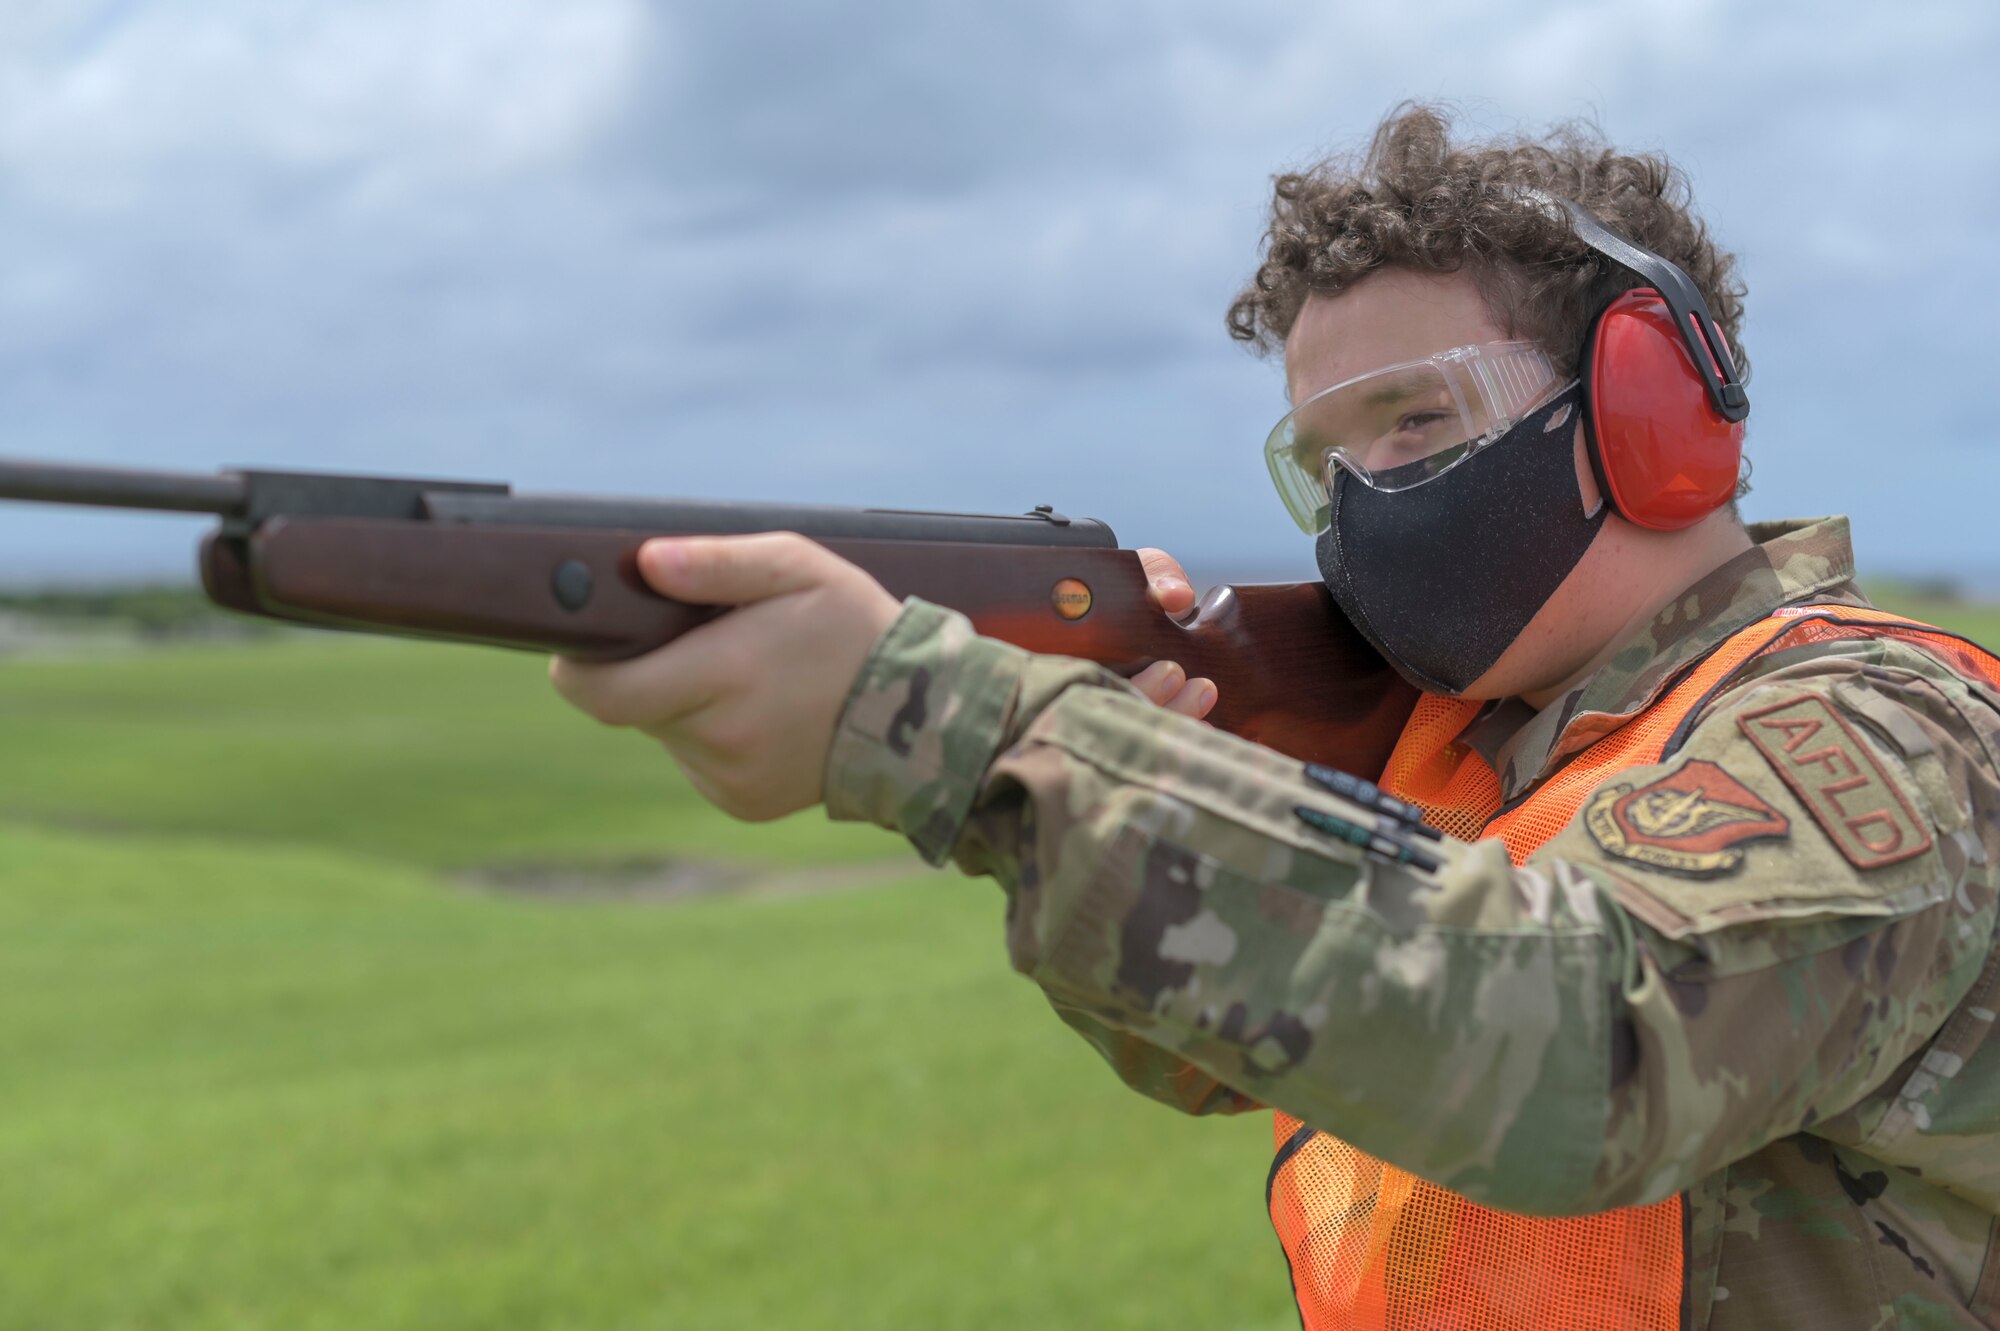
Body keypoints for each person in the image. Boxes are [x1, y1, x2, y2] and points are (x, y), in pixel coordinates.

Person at [551, 106, 2000, 1329]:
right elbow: (1220, 1043)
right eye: (1326, 457)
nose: (1365, 494)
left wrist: (965, 729)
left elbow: (1590, 1040)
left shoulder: (1885, 724)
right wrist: (1160, 771)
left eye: (1416, 420)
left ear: (1650, 404)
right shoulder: (1479, 748)